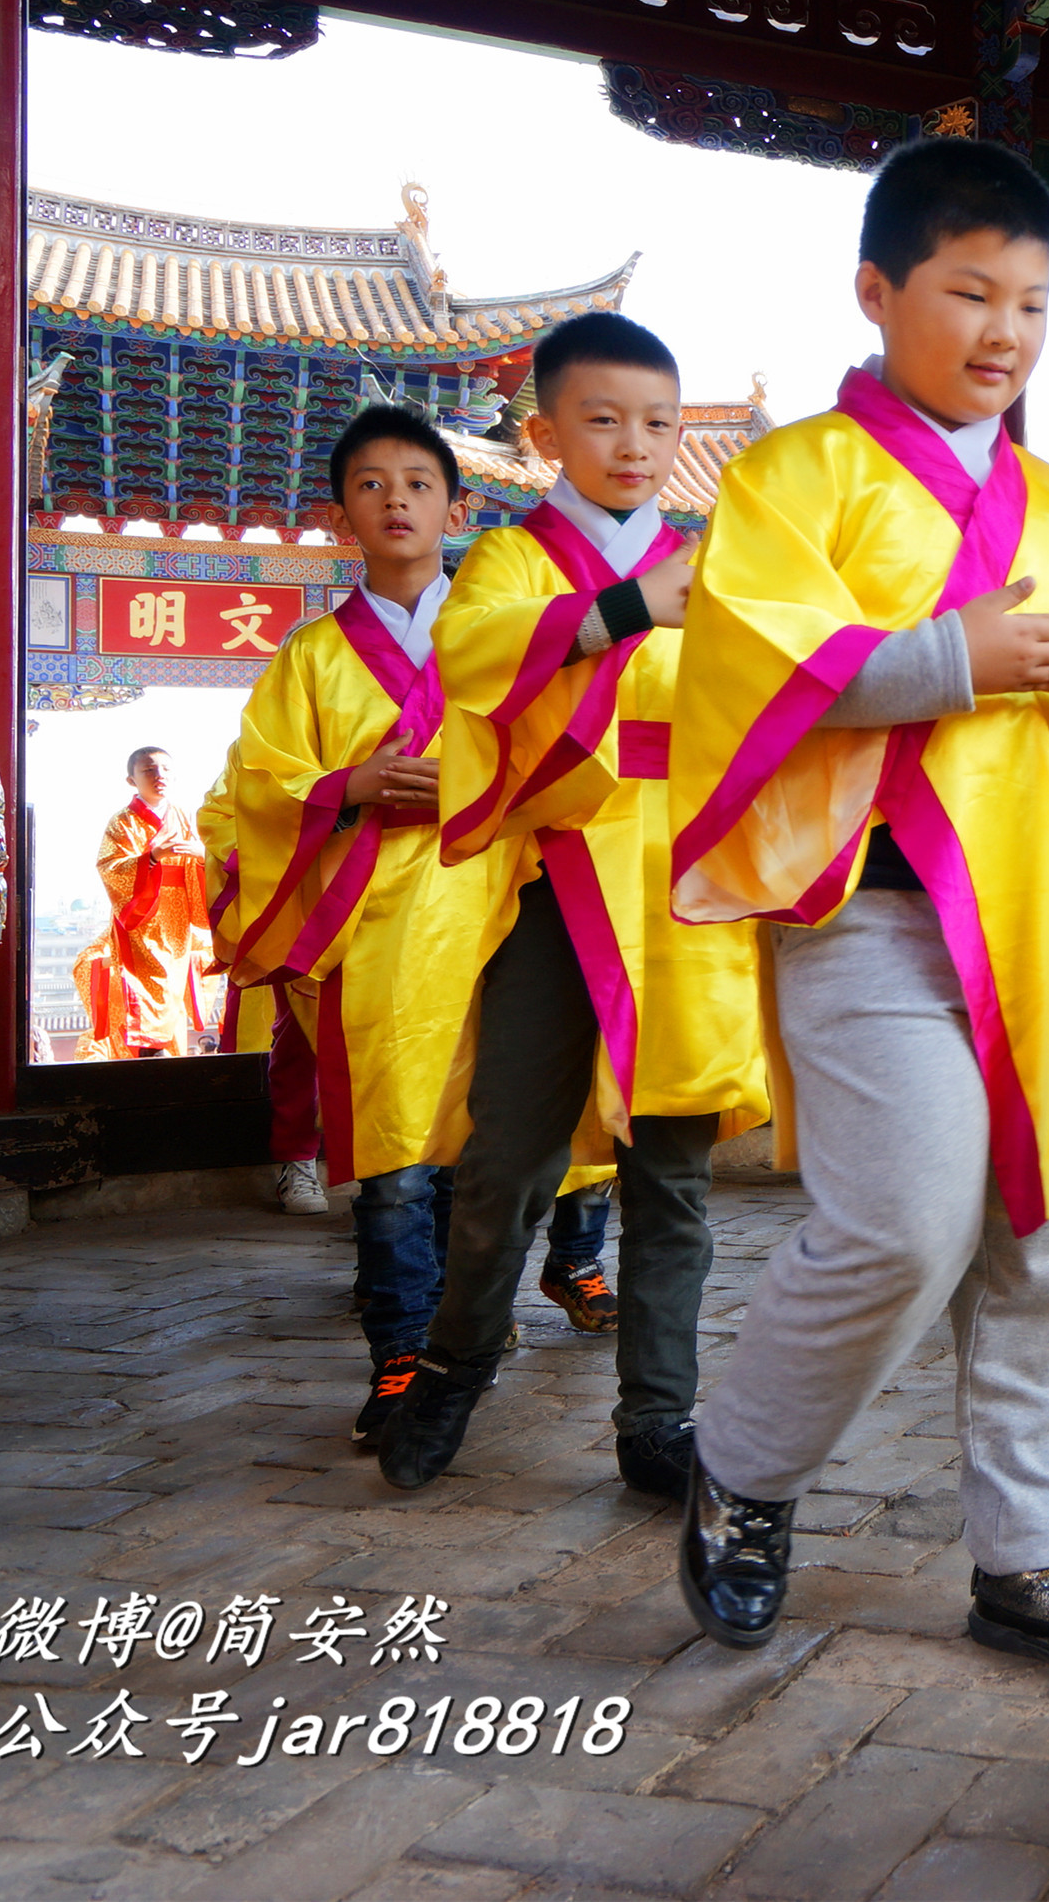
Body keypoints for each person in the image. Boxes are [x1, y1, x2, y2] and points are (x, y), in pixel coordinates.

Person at [665, 137, 1049, 1671]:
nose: (1004, 333)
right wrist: (958, 654)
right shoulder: (790, 478)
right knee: (900, 1222)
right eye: (969, 292)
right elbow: (754, 667)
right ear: (877, 290)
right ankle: (746, 1464)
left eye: (1032, 303)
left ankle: (1030, 1557)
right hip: (869, 918)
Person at [375, 313, 771, 1501]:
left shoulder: (722, 559)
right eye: (603, 420)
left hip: (689, 891)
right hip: (562, 884)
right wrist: (627, 612)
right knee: (510, 1155)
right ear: (545, 432)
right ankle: (454, 1358)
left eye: (658, 421)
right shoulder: (513, 560)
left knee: (677, 1168)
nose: (636, 445)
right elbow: (477, 656)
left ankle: (659, 1414)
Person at [218, 408, 531, 1444]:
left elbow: (568, 756)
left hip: (492, 916)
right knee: (393, 1157)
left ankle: (459, 1336)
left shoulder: (499, 637)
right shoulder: (310, 657)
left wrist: (486, 785)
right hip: (374, 931)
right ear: (341, 510)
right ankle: (400, 1351)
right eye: (369, 483)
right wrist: (346, 784)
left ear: (459, 504)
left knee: (473, 1154)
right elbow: (250, 791)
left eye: (417, 481)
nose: (395, 499)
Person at [197, 746, 328, 1215]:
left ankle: (391, 1183)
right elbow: (220, 816)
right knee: (300, 1039)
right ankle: (297, 1159)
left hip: (394, 899)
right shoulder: (263, 745)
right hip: (302, 903)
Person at [87, 746, 213, 1060]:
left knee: (172, 985)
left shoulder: (184, 816)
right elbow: (110, 867)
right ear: (132, 780)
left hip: (178, 914)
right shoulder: (123, 821)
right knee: (145, 982)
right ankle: (148, 1050)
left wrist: (201, 856)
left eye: (165, 770)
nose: (159, 777)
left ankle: (168, 1050)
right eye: (149, 770)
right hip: (140, 916)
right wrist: (153, 857)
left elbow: (207, 860)